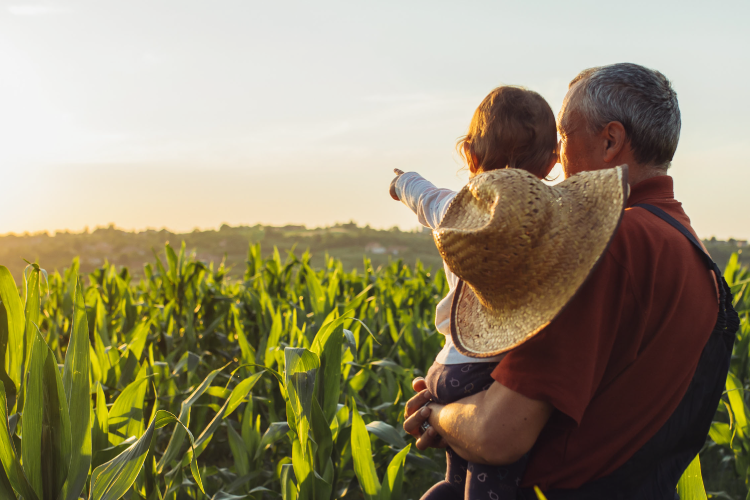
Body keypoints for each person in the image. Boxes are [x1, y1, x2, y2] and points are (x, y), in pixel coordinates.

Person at [401, 63, 739, 498]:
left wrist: (437, 412)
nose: (556, 157)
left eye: (563, 135)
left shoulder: (607, 246)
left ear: (611, 141)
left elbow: (498, 434)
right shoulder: (693, 251)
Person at [390, 86, 565, 500]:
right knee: (490, 487)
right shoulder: (551, 224)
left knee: (455, 481)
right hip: (489, 375)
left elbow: (422, 195)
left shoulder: (452, 209)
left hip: (447, 369)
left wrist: (402, 183)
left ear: (469, 154)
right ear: (554, 161)